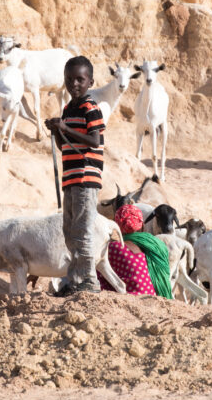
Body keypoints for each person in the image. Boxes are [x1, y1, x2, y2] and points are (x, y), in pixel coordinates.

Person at [45, 56, 105, 295]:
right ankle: (75, 280)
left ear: (91, 81)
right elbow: (65, 145)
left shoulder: (90, 108)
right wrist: (58, 131)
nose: (74, 84)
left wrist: (65, 128)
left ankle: (89, 280)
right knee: (69, 231)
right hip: (70, 178)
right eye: (69, 79)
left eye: (80, 79)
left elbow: (94, 140)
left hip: (85, 176)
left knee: (81, 230)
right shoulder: (68, 109)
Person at [98, 204, 173, 298]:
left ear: (117, 227)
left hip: (132, 297)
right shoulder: (158, 244)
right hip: (156, 295)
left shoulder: (114, 247)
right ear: (142, 225)